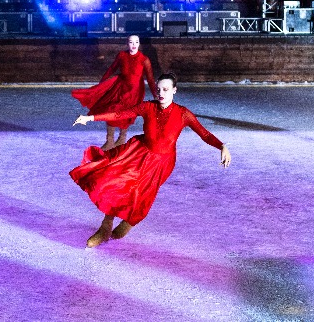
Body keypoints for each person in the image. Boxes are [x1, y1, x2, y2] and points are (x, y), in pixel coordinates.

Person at [71, 73, 230, 247]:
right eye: (158, 89)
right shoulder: (148, 107)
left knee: (142, 195)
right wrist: (91, 117)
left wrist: (222, 146)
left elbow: (204, 134)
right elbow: (119, 115)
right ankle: (105, 226)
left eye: (166, 89)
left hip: (162, 163)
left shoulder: (183, 114)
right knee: (119, 184)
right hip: (138, 153)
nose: (161, 93)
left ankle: (128, 223)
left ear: (174, 91)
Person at [72, 34, 159, 150]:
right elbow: (112, 68)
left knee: (126, 113)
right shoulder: (122, 55)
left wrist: (156, 95)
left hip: (134, 92)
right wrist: (102, 83)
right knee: (111, 109)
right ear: (127, 43)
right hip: (120, 88)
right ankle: (109, 140)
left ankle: (122, 138)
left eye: (136, 42)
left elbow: (150, 79)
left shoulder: (144, 60)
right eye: (131, 42)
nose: (133, 45)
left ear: (139, 43)